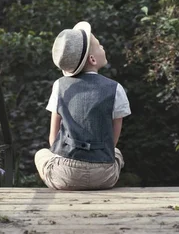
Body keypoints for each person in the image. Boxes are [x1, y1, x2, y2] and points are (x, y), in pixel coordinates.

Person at [34, 21, 131, 190]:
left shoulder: (60, 85)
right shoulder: (116, 88)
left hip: (65, 175)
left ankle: (61, 179)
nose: (103, 47)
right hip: (104, 176)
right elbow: (113, 138)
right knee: (117, 153)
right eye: (100, 46)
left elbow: (53, 137)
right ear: (92, 59)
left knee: (41, 154)